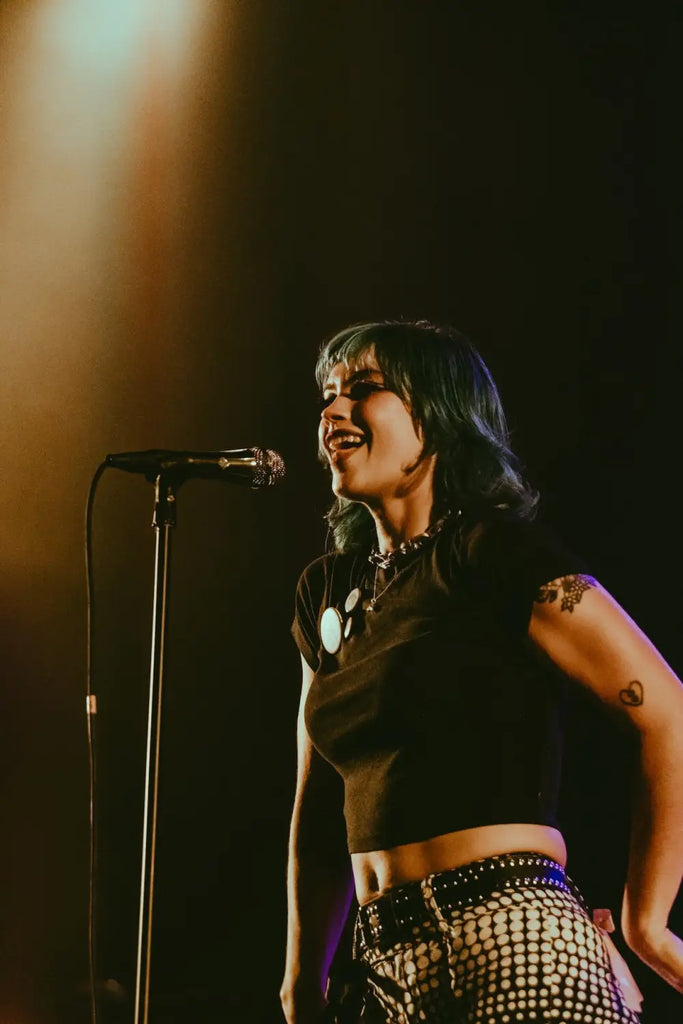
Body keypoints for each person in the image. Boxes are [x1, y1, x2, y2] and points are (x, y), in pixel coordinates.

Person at [280, 319, 683, 1024]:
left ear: (438, 415)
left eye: (364, 388)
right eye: (328, 395)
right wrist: (301, 982)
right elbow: (317, 808)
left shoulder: (493, 554)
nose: (333, 410)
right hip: (383, 972)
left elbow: (666, 711)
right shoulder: (327, 592)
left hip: (512, 938)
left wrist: (646, 923)